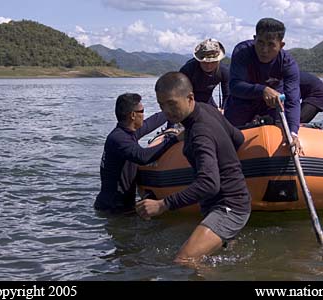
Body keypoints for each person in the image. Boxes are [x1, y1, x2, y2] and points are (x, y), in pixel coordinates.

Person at [136, 72, 251, 265]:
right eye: (161, 104)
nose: (166, 111)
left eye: (172, 103)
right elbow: (238, 138)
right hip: (228, 200)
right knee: (212, 260)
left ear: (190, 98)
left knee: (184, 261)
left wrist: (162, 205)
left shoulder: (200, 133)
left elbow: (209, 184)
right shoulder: (206, 111)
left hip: (228, 206)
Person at [224, 17, 301, 153]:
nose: (264, 50)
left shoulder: (287, 63)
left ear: (281, 45)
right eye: (260, 42)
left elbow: (293, 100)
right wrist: (262, 90)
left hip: (271, 105)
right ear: (254, 39)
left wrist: (293, 132)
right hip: (242, 102)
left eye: (271, 45)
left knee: (282, 130)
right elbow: (234, 86)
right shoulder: (242, 52)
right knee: (229, 141)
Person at [94, 93, 180, 213]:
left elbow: (152, 121)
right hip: (112, 209)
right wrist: (174, 139)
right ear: (133, 115)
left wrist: (172, 110)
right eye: (142, 111)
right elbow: (143, 157)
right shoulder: (118, 139)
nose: (144, 115)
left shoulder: (128, 133)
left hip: (123, 206)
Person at [179, 38, 229, 109]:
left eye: (213, 62)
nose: (209, 66)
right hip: (189, 101)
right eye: (205, 62)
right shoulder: (188, 70)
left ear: (218, 61)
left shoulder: (224, 71)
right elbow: (179, 93)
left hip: (208, 99)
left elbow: (227, 95)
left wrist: (224, 109)